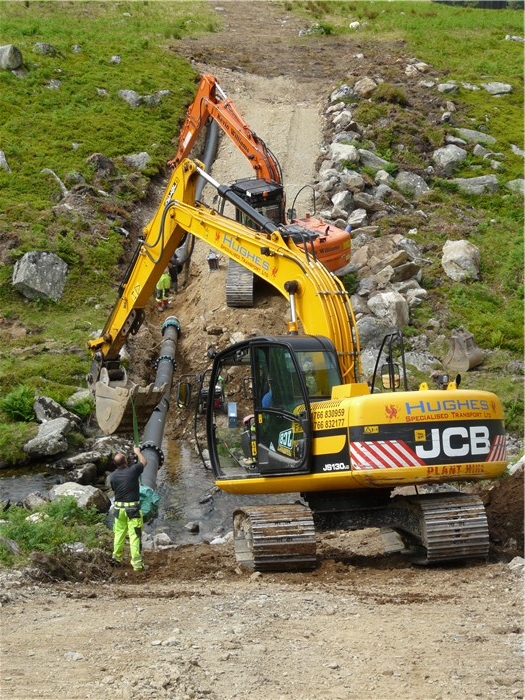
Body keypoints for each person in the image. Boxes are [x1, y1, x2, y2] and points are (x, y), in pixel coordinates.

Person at [109, 446, 148, 571]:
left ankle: (116, 559)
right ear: (126, 461)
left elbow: (115, 490)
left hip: (118, 509)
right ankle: (137, 564)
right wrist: (138, 452)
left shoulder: (113, 477)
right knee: (134, 535)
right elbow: (144, 462)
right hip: (132, 510)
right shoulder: (133, 470)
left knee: (119, 534)